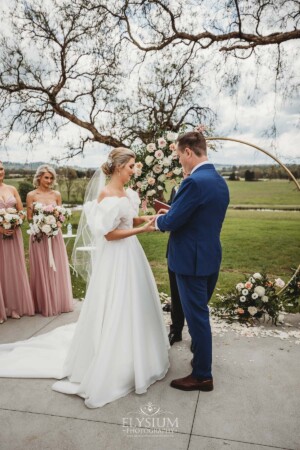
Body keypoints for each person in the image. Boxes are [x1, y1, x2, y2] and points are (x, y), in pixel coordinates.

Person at [0, 148, 169, 409]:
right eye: (131, 166)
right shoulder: (106, 193)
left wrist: (149, 218)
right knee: (115, 305)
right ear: (118, 167)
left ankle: (138, 353)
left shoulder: (127, 192)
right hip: (116, 258)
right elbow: (109, 234)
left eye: (135, 166)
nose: (135, 170)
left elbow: (127, 218)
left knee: (134, 305)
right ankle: (113, 358)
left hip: (132, 256)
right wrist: (142, 229)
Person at [155, 130, 229, 392]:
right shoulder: (219, 180)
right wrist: (173, 212)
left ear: (188, 151)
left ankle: (202, 375)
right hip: (210, 255)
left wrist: (156, 220)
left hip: (190, 260)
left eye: (178, 156)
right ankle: (201, 355)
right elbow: (199, 217)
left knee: (197, 317)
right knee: (200, 313)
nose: (179, 162)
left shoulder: (194, 182)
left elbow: (172, 222)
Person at [26, 165, 73, 316]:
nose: (49, 180)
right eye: (46, 177)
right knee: (41, 267)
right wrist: (42, 224)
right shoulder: (31, 195)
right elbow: (29, 218)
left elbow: (61, 216)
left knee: (56, 266)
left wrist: (55, 225)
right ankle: (44, 303)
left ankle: (58, 301)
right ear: (39, 177)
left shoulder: (56, 194)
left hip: (54, 235)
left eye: (51, 178)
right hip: (38, 236)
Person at [0, 161, 35, 322]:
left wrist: (15, 222)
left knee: (14, 269)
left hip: (14, 235)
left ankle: (14, 307)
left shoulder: (12, 189)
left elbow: (21, 211)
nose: (0, 172)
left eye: (1, 168)